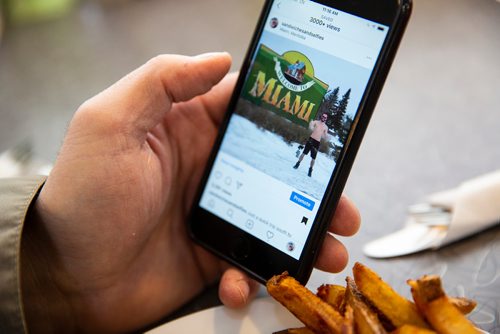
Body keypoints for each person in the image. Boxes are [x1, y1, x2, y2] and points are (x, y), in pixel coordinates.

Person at [0, 53, 360, 333]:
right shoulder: (314, 123)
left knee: (312, 173)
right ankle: (301, 166)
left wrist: (50, 274)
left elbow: (325, 138)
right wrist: (50, 267)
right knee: (303, 160)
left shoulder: (322, 127)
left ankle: (304, 168)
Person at [293, 113, 329, 177]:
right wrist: (311, 124)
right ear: (321, 116)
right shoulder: (316, 122)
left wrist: (327, 137)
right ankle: (297, 164)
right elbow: (311, 126)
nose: (323, 118)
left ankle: (310, 170)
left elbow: (325, 135)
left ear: (326, 119)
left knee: (313, 158)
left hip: (317, 143)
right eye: (323, 116)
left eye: (325, 117)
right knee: (304, 153)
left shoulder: (326, 127)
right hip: (311, 139)